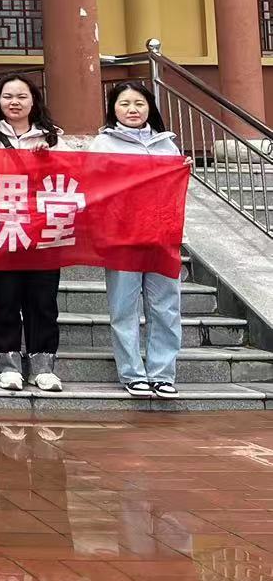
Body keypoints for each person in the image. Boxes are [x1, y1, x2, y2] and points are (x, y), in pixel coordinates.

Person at [92, 82, 185, 398]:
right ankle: (132, 373)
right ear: (113, 109)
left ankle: (163, 373)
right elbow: (94, 187)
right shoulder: (103, 144)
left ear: (150, 108)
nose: (132, 109)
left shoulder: (167, 144)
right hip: (122, 238)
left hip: (162, 237)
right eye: (124, 103)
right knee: (124, 308)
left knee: (166, 307)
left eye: (139, 103)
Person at [0, 75, 64, 393]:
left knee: (43, 300)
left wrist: (50, 160)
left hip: (44, 231)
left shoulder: (53, 138)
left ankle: (43, 366)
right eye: (7, 96)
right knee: (3, 298)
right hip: (1, 229)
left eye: (21, 96)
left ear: (34, 101)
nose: (14, 102)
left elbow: (72, 179)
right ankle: (7, 365)